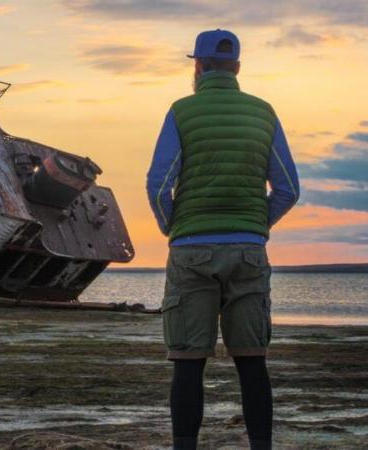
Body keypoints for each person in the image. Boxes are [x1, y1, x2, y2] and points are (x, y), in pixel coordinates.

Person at [146, 29, 300, 450]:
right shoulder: (264, 113)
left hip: (191, 249)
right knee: (253, 364)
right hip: (248, 252)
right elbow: (287, 189)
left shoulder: (182, 111)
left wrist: (173, 227)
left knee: (187, 363)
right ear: (237, 68)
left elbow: (159, 185)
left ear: (197, 66)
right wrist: (255, 225)